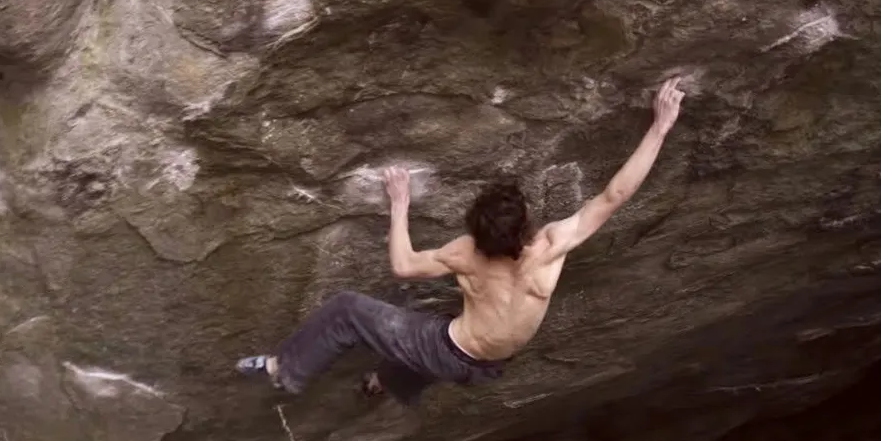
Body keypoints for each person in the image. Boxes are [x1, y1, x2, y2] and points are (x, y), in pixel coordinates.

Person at [236, 77, 686, 406]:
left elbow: (404, 266)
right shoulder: (551, 247)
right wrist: (660, 126)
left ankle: (286, 369)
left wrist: (399, 205)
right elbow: (615, 194)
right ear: (527, 225)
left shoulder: (465, 254)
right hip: (487, 367)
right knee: (430, 325)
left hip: (449, 352)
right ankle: (377, 385)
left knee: (348, 310)